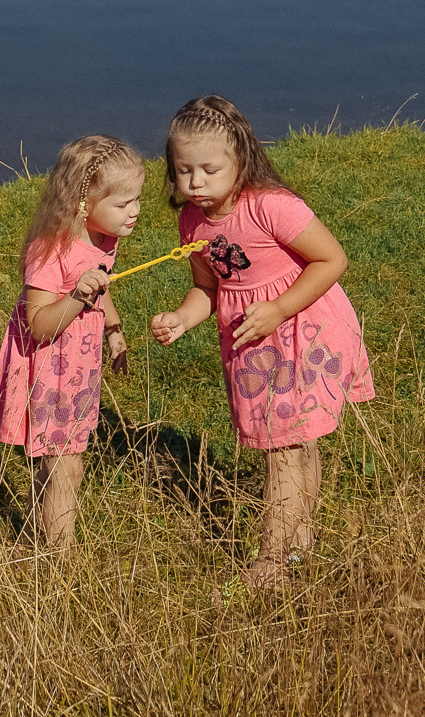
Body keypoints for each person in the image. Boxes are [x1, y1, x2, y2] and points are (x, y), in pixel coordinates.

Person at [150, 95, 374, 590]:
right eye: (184, 171)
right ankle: (300, 544)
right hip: (255, 343)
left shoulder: (271, 207)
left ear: (241, 160)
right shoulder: (193, 223)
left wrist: (277, 308)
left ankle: (274, 561)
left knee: (282, 447)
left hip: (303, 328)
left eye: (209, 169)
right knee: (291, 443)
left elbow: (331, 260)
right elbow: (209, 288)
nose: (196, 183)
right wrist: (184, 319)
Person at [0, 134, 139, 547]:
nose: (136, 212)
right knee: (66, 465)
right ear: (83, 203)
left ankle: (39, 535)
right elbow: (38, 326)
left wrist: (113, 331)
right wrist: (77, 296)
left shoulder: (106, 237)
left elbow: (102, 287)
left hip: (79, 364)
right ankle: (60, 557)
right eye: (124, 204)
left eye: (138, 199)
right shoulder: (50, 250)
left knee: (61, 458)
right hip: (48, 364)